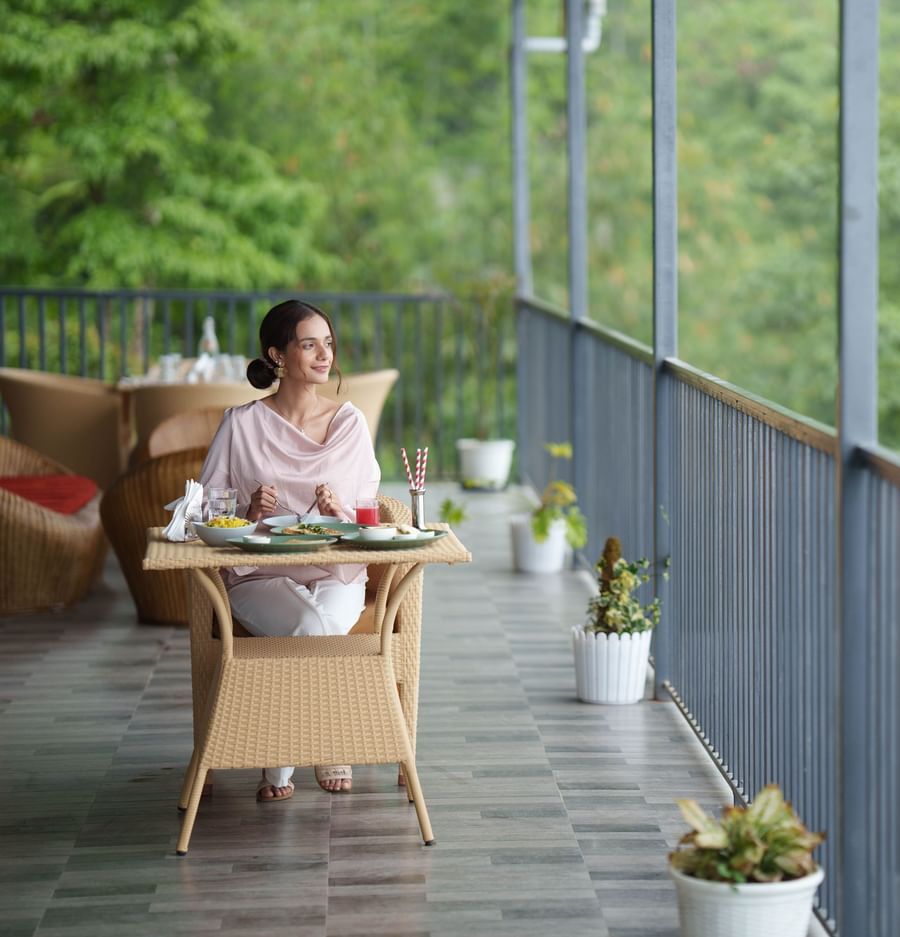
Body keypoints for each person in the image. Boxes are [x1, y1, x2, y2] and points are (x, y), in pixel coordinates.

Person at [199, 299, 379, 801]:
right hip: (257, 576)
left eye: (328, 342)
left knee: (315, 622)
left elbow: (368, 516)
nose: (325, 354)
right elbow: (209, 515)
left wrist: (339, 510)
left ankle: (278, 762)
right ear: (277, 355)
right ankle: (328, 743)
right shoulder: (242, 424)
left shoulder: (350, 424)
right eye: (309, 344)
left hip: (337, 572)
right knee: (312, 628)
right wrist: (250, 512)